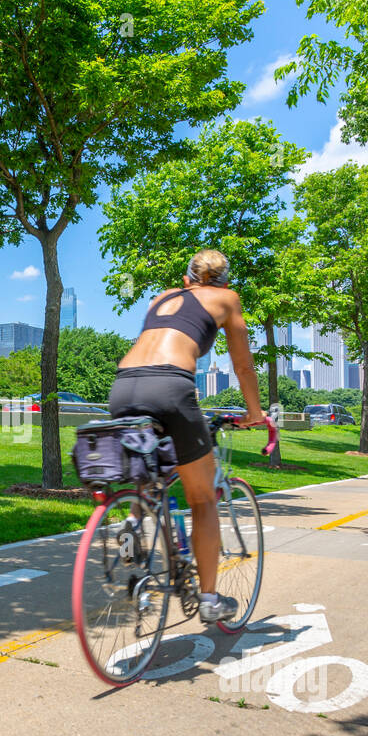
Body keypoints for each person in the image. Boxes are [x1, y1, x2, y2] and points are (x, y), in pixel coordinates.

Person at [108, 249, 265, 625]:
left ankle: (133, 520)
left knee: (154, 470)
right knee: (202, 497)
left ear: (186, 280)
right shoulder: (227, 298)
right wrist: (255, 412)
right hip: (170, 387)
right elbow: (242, 365)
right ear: (225, 281)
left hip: (124, 386)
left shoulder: (163, 297)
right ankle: (209, 599)